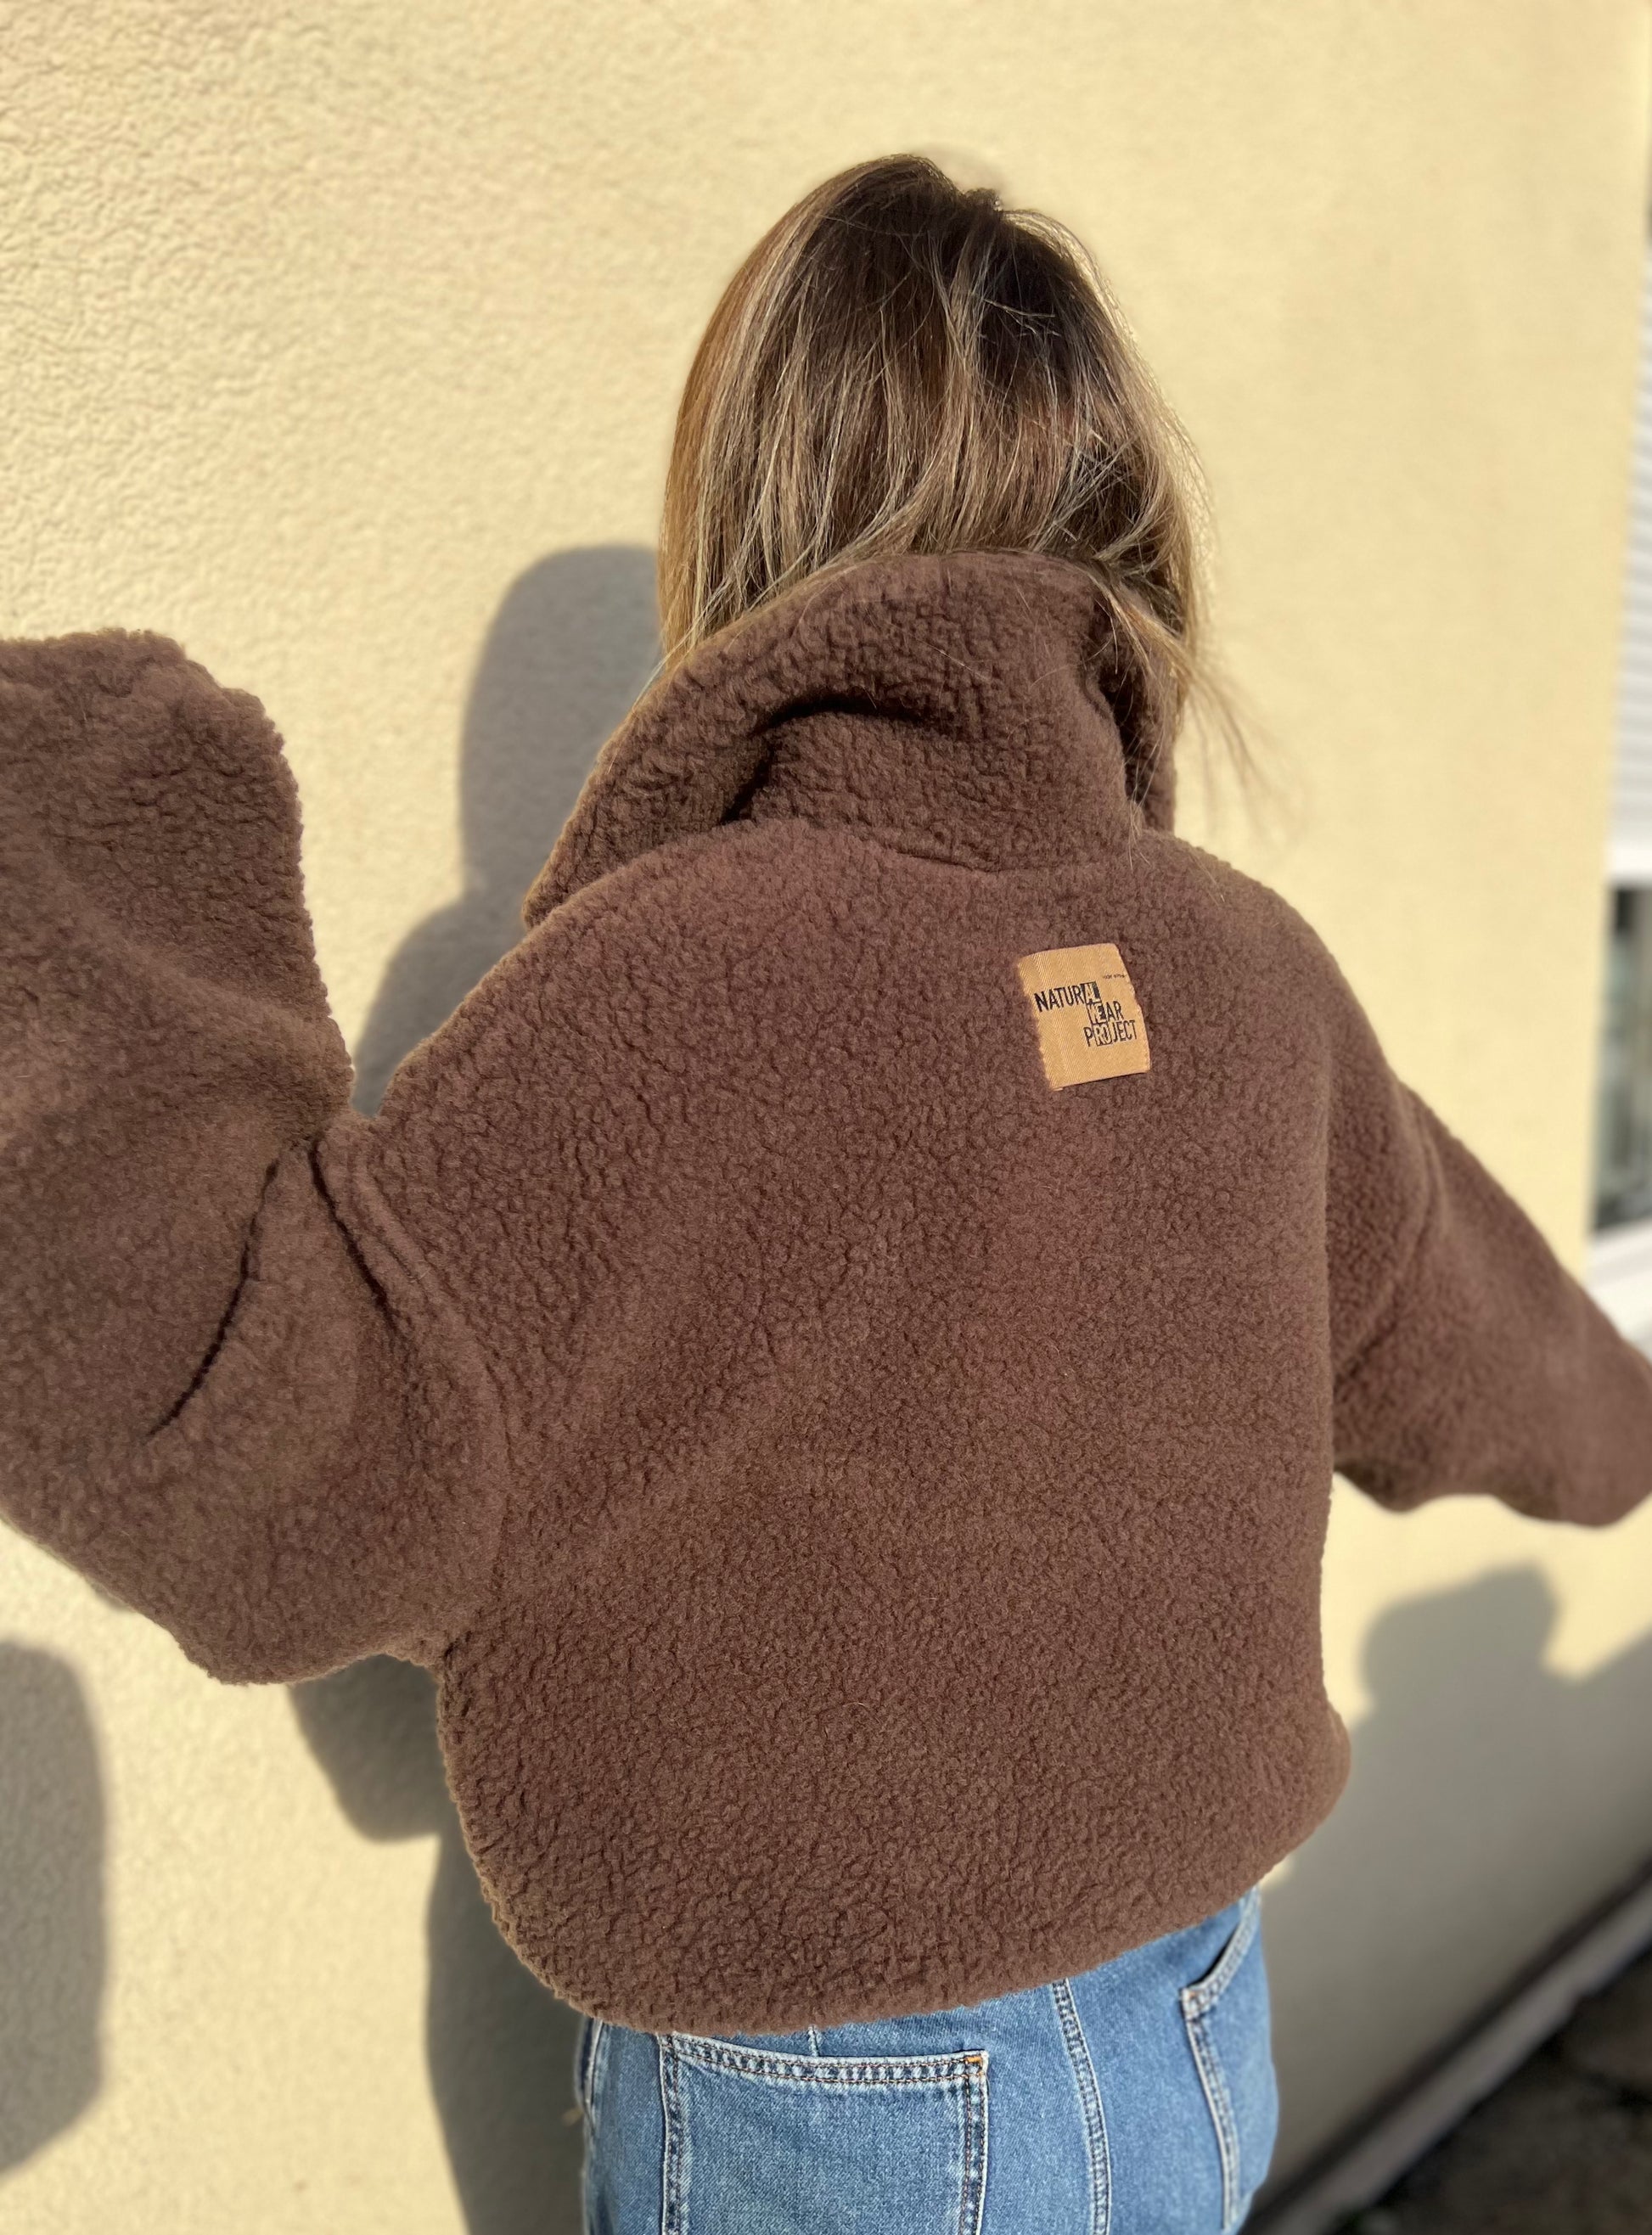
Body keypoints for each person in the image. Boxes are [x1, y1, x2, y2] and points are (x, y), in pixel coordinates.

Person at [3, 152, 1649, 2235]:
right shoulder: (1242, 970)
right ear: (1123, 516)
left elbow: (290, 1486)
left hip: (852, 2109)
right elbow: (1478, 1342)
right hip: (1200, 2027)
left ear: (751, 501)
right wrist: (1627, 1429)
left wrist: (70, 822)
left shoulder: (672, 987)